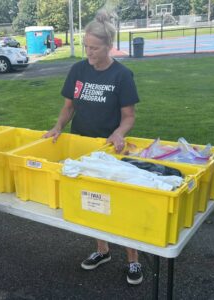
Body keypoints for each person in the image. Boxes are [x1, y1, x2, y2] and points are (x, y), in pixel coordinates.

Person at [43, 10, 143, 285]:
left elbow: (129, 116)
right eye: (86, 46)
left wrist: (119, 133)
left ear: (108, 46)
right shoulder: (78, 70)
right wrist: (58, 126)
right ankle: (102, 251)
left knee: (119, 206)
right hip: (82, 147)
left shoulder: (122, 75)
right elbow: (69, 107)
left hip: (110, 151)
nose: (89, 52)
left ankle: (133, 260)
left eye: (94, 48)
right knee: (92, 201)